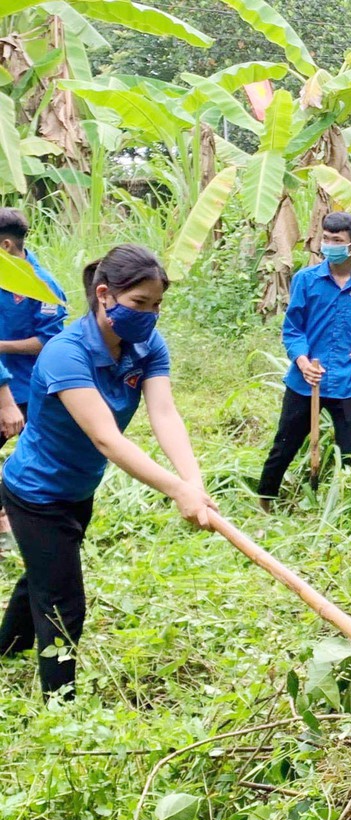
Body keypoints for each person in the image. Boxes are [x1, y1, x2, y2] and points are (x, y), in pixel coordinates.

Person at [0, 244, 216, 698]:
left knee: (43, 574)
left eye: (157, 305)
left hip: (80, 487)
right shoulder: (65, 354)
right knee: (63, 603)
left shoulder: (146, 345)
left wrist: (193, 482)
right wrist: (176, 489)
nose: (150, 315)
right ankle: (61, 707)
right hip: (36, 494)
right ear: (104, 295)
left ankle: (6, 647)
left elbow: (165, 414)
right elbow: (107, 439)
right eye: (140, 303)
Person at [257, 212, 351, 508]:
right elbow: (292, 330)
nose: (328, 245)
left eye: (336, 240)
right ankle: (265, 501)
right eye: (325, 239)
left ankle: (348, 507)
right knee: (284, 446)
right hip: (305, 382)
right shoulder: (306, 280)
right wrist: (302, 361)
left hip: (345, 383)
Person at [0, 208, 69, 539]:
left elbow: (48, 342)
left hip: (27, 390)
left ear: (7, 246)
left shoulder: (42, 286)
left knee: (33, 459)